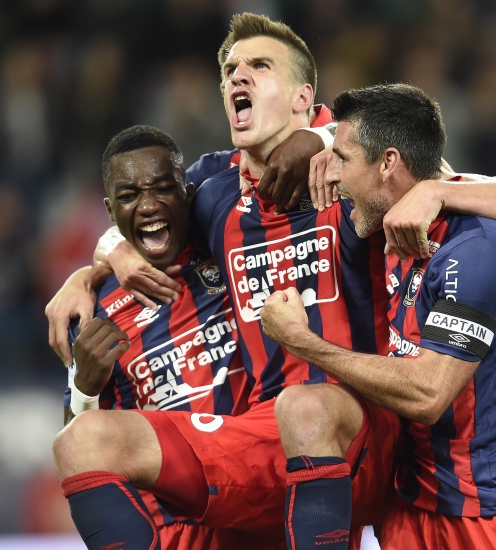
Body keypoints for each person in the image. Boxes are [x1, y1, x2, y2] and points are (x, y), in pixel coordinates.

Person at [51, 13, 496, 550]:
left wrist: (433, 190)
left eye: (259, 66)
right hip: (269, 429)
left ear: (302, 97)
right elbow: (145, 207)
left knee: (307, 406)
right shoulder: (214, 192)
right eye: (229, 70)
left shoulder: (352, 167)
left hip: (369, 423)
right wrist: (96, 265)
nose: (237, 78)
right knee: (83, 441)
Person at [260, 83, 496, 550]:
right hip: (415, 513)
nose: (333, 175)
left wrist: (301, 341)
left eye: (343, 160)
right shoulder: (396, 217)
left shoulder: (475, 250)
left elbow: (430, 394)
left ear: (388, 163)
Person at [63, 124, 283, 549]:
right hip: (183, 530)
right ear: (110, 210)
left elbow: (279, 149)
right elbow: (80, 455)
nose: (147, 206)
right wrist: (83, 389)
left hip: (261, 495)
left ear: (187, 190)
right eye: (129, 197)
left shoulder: (229, 243)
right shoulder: (94, 309)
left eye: (162, 189)